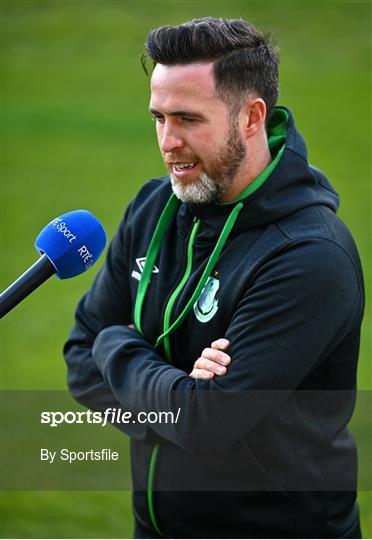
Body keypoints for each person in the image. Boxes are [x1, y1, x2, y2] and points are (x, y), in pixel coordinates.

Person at [64, 17, 364, 539]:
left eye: (187, 118)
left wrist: (118, 345)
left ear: (250, 117)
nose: (168, 141)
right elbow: (78, 360)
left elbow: (203, 423)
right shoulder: (152, 207)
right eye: (157, 117)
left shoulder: (309, 256)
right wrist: (176, 398)